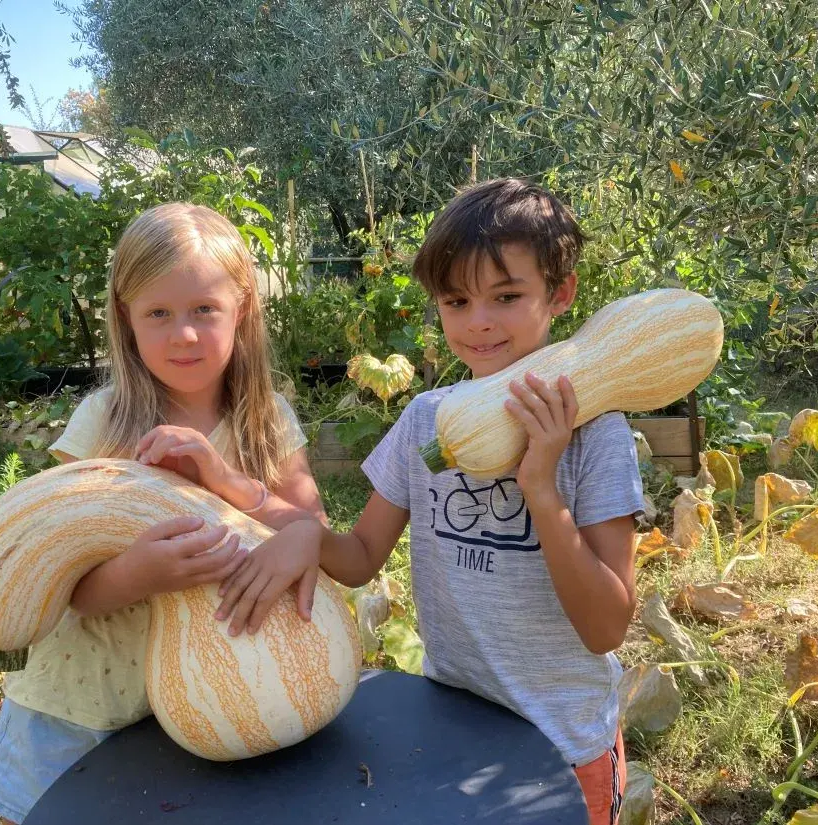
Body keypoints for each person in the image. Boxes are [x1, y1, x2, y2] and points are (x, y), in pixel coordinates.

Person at [218, 179, 645, 825]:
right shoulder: (428, 424)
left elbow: (606, 627)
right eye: (457, 299)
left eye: (507, 296)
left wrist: (540, 483)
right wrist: (298, 528)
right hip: (454, 729)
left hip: (563, 745)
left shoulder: (597, 436)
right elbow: (361, 555)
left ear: (561, 294)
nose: (478, 320)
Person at [0, 202, 325, 824]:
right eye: (158, 313)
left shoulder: (267, 419)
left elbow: (308, 529)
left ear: (241, 309)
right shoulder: (104, 422)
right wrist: (139, 573)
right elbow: (59, 578)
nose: (183, 333)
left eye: (204, 310)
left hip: (199, 700)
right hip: (79, 702)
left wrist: (284, 524)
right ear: (125, 319)